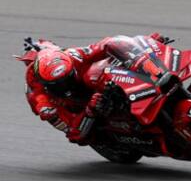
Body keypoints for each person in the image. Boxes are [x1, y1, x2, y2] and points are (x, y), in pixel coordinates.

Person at [20, 34, 169, 144]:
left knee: (103, 66)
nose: (67, 85)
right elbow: (74, 133)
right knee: (81, 136)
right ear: (46, 84)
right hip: (77, 108)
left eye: (68, 78)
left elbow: (106, 45)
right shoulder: (42, 102)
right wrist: (89, 111)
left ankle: (147, 82)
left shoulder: (74, 56)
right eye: (60, 84)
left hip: (92, 86)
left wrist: (145, 45)